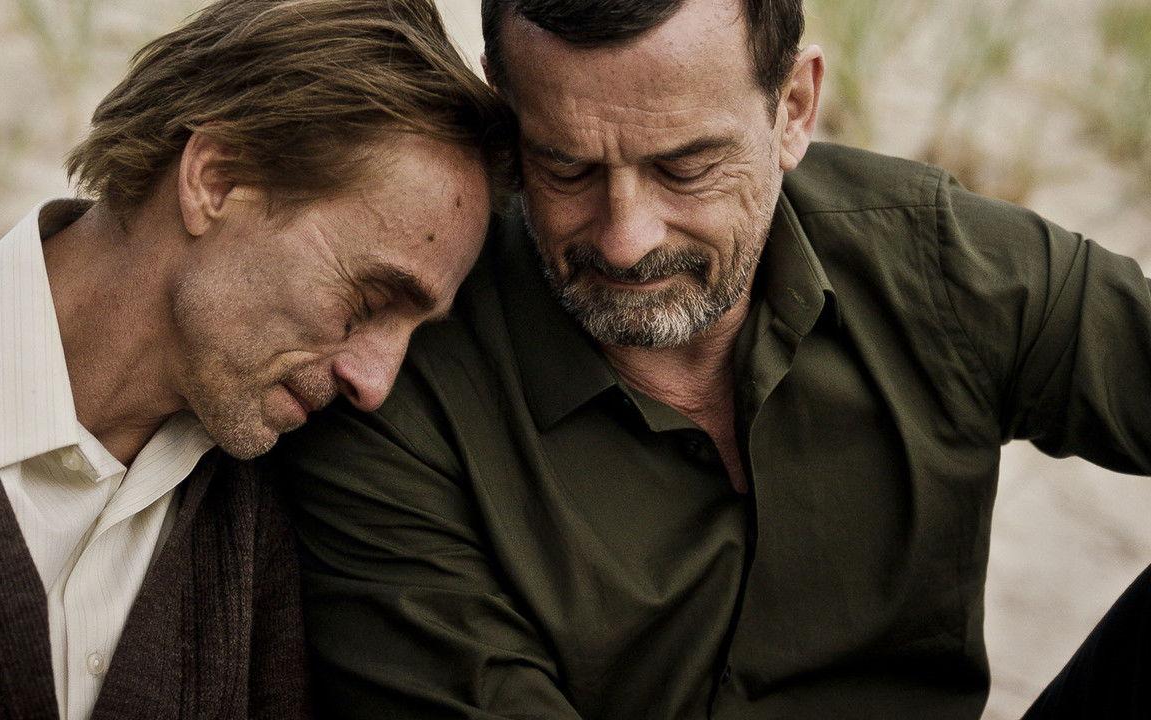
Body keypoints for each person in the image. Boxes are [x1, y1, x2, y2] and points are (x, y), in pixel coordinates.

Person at [283, 0, 1151, 717]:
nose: (626, 240)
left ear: (794, 109)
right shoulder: (393, 389)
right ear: (508, 127)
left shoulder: (936, 262)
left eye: (685, 168)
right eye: (567, 169)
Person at [0, 0, 509, 717]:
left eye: (414, 331)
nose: (376, 383)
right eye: (368, 300)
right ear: (216, 179)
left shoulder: (260, 496)